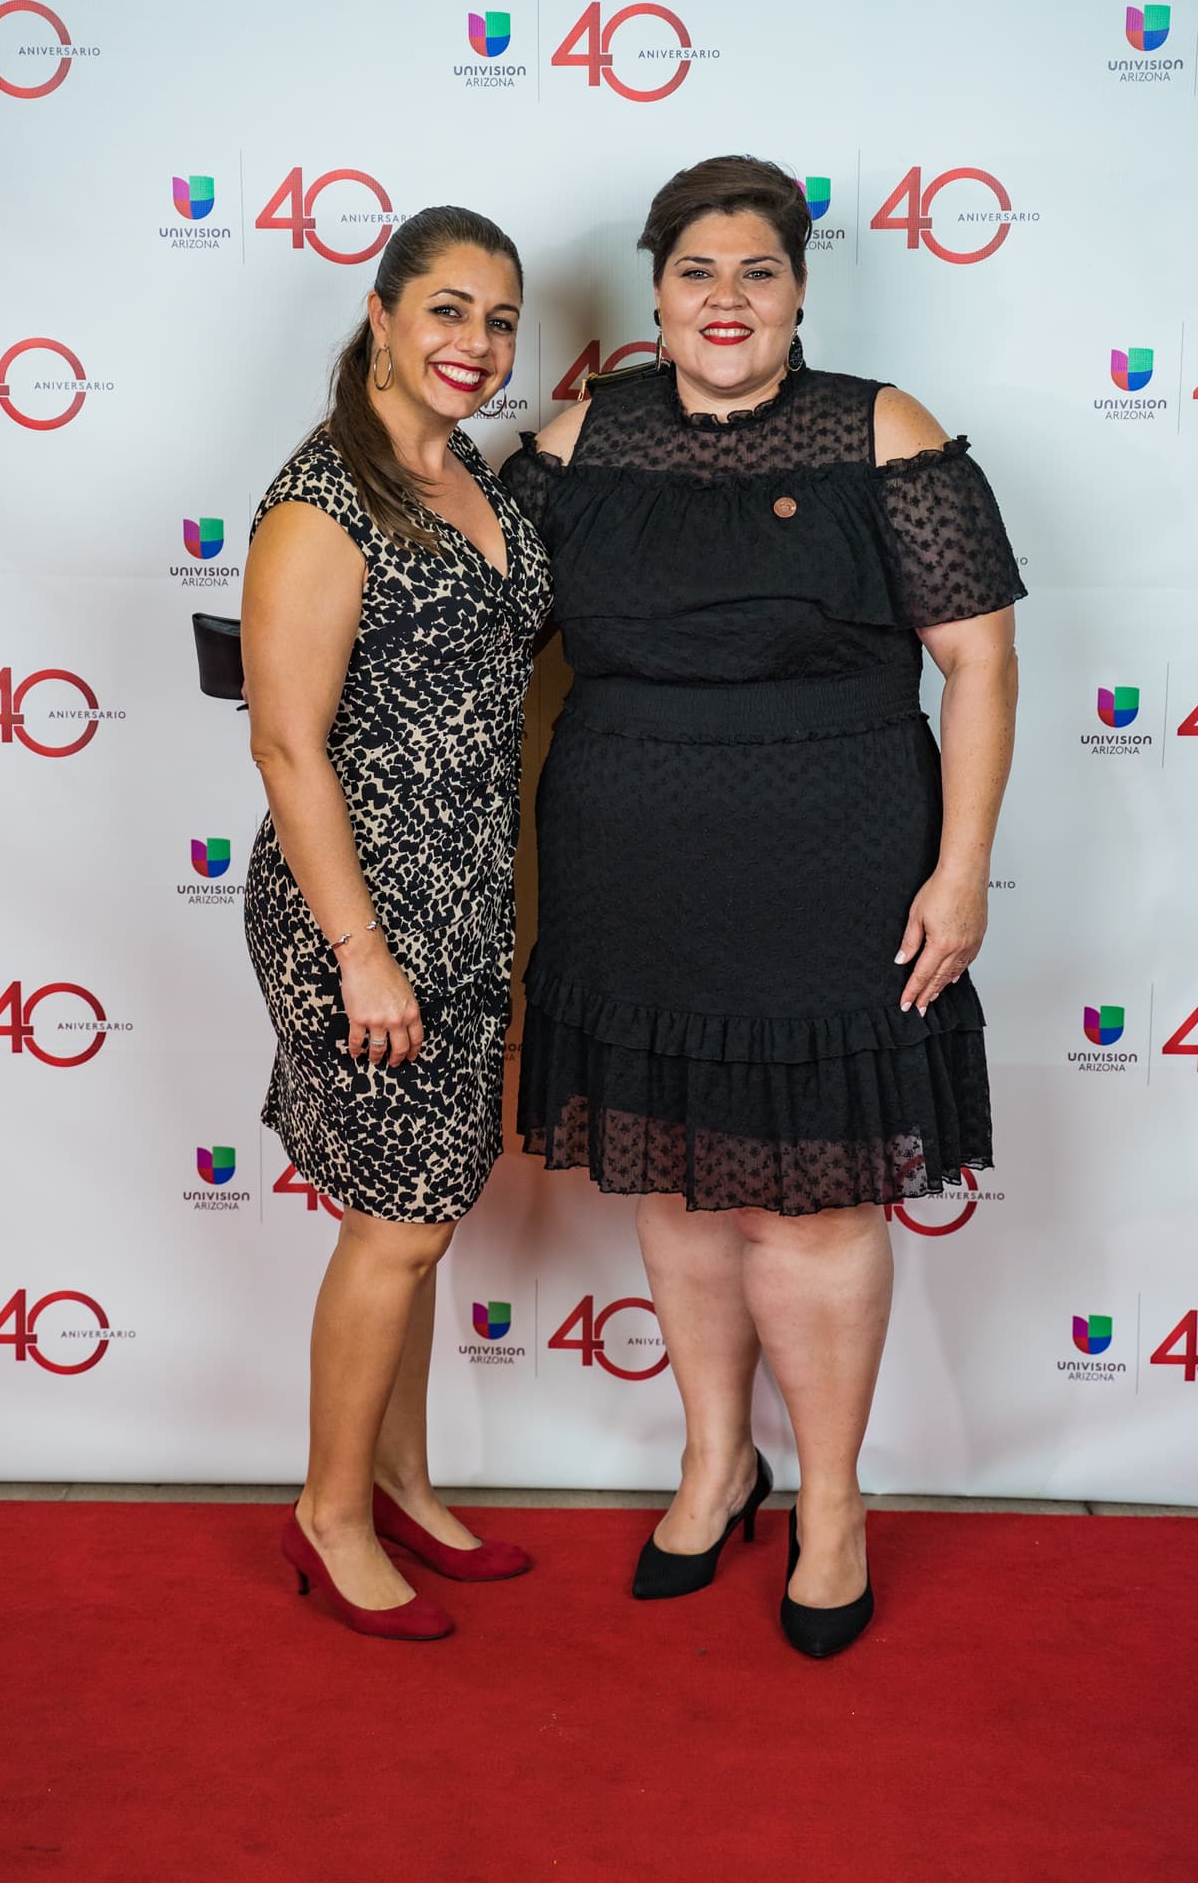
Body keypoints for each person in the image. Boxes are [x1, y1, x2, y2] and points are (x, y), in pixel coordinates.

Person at [501, 155, 1022, 1657]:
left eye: (758, 272)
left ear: (799, 290)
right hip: (626, 860)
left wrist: (962, 869)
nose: (725, 301)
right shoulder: (579, 439)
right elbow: (465, 606)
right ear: (657, 294)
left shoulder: (884, 431)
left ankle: (834, 1506)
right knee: (675, 1185)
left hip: (839, 860)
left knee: (819, 1197)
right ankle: (715, 1463)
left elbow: (979, 662)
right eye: (696, 273)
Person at [243, 206, 549, 1641]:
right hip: (358, 913)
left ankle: (402, 1482)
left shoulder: (466, 467)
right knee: (401, 1227)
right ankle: (329, 1512)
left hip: (466, 897)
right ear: (380, 314)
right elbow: (286, 744)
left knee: (414, 1217)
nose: (475, 344)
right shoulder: (325, 498)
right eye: (447, 309)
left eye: (500, 320)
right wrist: (361, 952)